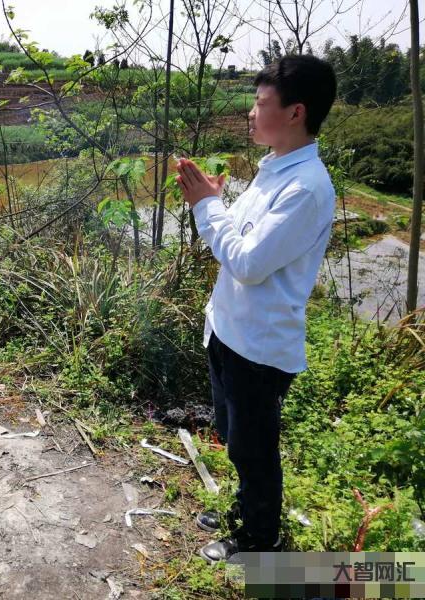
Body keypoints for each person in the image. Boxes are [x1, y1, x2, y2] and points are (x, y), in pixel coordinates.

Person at [174, 55, 337, 563]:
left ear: (295, 112)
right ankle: (243, 510)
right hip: (228, 330)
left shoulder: (306, 189)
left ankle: (258, 538)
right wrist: (218, 204)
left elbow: (246, 262)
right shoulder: (272, 171)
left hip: (259, 348)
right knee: (232, 434)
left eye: (261, 102)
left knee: (254, 448)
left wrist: (206, 206)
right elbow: (239, 236)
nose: (250, 112)